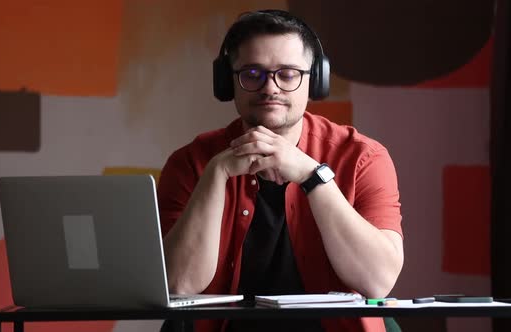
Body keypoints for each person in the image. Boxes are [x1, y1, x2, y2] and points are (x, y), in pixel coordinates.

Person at [157, 9, 403, 332]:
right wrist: (216, 174)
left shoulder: (363, 157)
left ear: (315, 79)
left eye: (287, 74)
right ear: (227, 82)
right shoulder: (191, 163)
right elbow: (179, 284)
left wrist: (312, 176)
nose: (270, 88)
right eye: (252, 73)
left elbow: (378, 280)